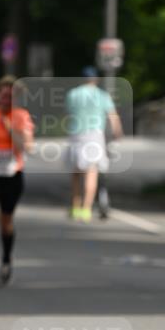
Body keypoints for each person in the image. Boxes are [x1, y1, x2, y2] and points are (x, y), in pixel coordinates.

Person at [0, 75, 34, 286]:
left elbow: (27, 147)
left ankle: (6, 260)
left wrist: (10, 128)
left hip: (12, 175)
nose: (6, 100)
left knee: (6, 223)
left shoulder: (21, 117)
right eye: (3, 95)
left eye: (10, 96)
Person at [65, 66, 122, 222]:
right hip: (95, 135)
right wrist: (117, 133)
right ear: (95, 80)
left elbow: (69, 114)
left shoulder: (73, 94)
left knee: (76, 173)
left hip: (76, 134)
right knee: (92, 172)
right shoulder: (102, 95)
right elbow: (113, 116)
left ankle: (75, 207)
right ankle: (86, 209)